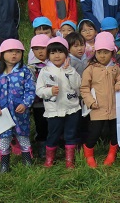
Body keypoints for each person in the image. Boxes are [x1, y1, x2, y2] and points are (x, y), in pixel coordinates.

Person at [0, 39, 35, 173]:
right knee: (4, 138)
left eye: (18, 52)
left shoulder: (25, 71)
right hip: (2, 114)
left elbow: (30, 90)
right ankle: (4, 164)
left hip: (20, 113)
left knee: (23, 136)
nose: (14, 55)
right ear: (2, 54)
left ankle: (27, 160)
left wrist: (25, 104)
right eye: (10, 52)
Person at [36, 37, 82, 169]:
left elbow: (77, 85)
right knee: (53, 134)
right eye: (53, 53)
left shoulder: (70, 69)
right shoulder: (45, 71)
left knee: (71, 134)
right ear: (48, 55)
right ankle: (50, 159)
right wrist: (49, 91)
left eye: (60, 52)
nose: (57, 56)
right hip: (54, 110)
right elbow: (39, 90)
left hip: (71, 108)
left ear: (66, 54)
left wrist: (69, 71)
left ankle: (70, 160)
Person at [80, 32, 120, 168]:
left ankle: (112, 153)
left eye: (106, 52)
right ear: (95, 53)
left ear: (112, 53)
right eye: (99, 52)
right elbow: (84, 88)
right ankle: (88, 153)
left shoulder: (115, 68)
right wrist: (90, 102)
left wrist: (119, 84)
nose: (102, 55)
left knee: (114, 132)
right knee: (94, 132)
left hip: (114, 107)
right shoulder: (91, 69)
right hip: (97, 107)